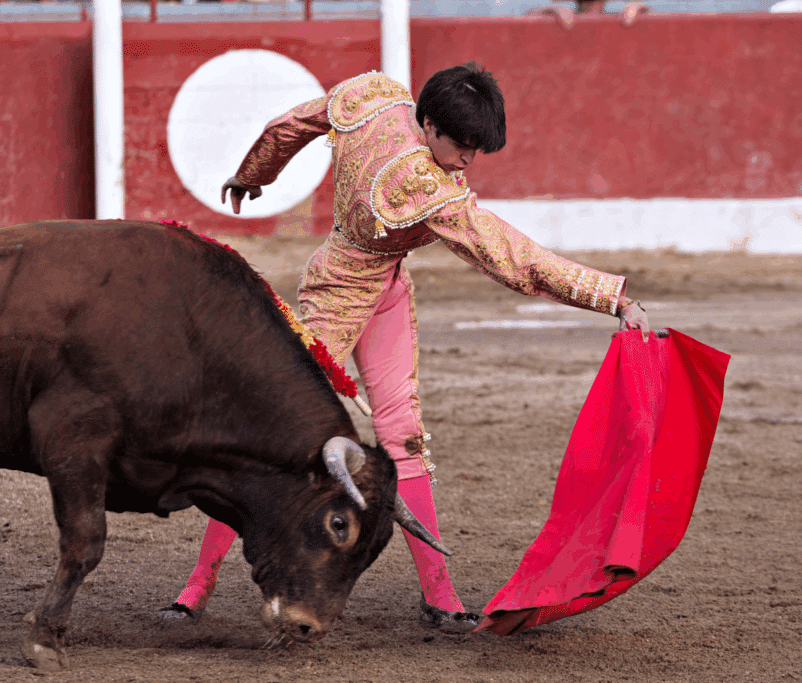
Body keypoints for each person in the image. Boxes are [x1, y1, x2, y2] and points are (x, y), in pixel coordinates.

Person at [161, 62, 650, 631]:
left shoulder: (370, 95)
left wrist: (253, 174)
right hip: (339, 296)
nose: (466, 161)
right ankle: (196, 586)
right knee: (268, 436)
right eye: (460, 146)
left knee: (404, 436)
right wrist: (612, 297)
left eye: (476, 149)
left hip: (382, 287)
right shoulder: (423, 187)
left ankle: (440, 596)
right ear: (427, 124)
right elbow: (514, 259)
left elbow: (288, 125)